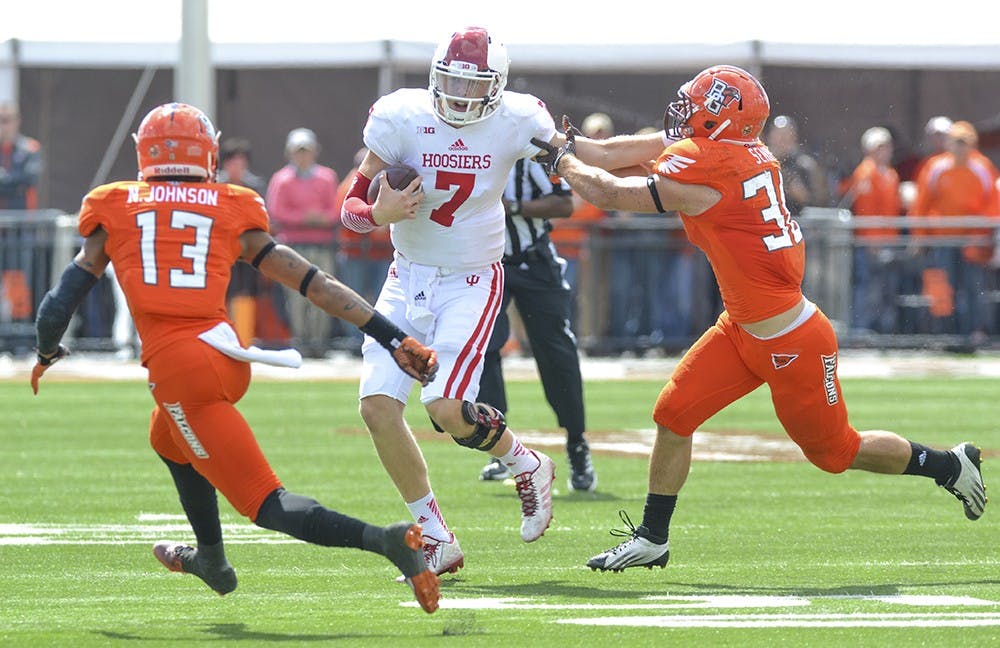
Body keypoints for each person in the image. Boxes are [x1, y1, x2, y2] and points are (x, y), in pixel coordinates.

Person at [532, 65, 987, 572]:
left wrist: (562, 161)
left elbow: (610, 192)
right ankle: (653, 538)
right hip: (743, 327)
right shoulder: (739, 150)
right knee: (673, 415)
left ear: (723, 119)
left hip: (791, 339)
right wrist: (557, 139)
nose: (685, 113)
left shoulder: (709, 163)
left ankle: (948, 464)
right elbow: (617, 153)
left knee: (834, 452)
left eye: (698, 106)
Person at [29, 103, 441, 613]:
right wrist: (391, 336)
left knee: (266, 503)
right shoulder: (230, 203)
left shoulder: (113, 204)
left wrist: (47, 351)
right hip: (225, 355)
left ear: (144, 152)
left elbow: (57, 305)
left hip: (182, 372)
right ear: (208, 151)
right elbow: (312, 282)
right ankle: (211, 560)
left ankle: (386, 541)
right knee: (166, 437)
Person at [339, 26, 558, 577]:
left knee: (445, 410)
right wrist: (378, 215)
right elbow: (348, 207)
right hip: (404, 278)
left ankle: (525, 463)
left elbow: (571, 161)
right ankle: (435, 534)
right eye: (451, 83)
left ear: (496, 86)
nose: (460, 97)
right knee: (377, 408)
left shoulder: (518, 118)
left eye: (473, 85)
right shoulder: (400, 116)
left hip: (470, 280)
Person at [476, 157, 597, 492]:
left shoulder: (528, 151)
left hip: (533, 260)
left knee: (556, 351)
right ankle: (498, 446)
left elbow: (563, 204)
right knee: (483, 348)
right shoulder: (466, 149)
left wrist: (511, 206)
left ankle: (576, 443)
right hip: (485, 262)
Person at [909, 120, 999, 341]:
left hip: (972, 243)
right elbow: (921, 204)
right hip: (943, 242)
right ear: (949, 144)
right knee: (941, 288)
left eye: (964, 143)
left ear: (972, 144)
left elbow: (994, 204)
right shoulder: (935, 167)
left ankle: (975, 332)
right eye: (956, 142)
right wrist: (919, 238)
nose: (960, 148)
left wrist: (980, 236)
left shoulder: (983, 167)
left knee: (974, 289)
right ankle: (943, 333)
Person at [266, 128, 340, 356]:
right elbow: (276, 212)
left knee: (323, 292)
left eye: (306, 151)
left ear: (314, 152)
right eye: (298, 151)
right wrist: (306, 219)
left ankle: (319, 342)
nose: (302, 156)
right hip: (293, 247)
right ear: (289, 153)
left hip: (322, 245)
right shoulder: (281, 180)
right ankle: (301, 340)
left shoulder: (327, 178)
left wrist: (320, 219)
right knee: (296, 297)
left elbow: (336, 211)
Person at [840, 126, 903, 334]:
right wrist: (873, 242)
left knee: (886, 289)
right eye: (879, 147)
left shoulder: (891, 174)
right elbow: (866, 211)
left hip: (888, 241)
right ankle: (862, 330)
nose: (884, 151)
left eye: (886, 146)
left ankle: (883, 330)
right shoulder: (866, 172)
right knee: (868, 288)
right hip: (870, 243)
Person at [334, 146, 394, 349]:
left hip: (382, 251)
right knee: (354, 296)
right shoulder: (351, 184)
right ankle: (355, 340)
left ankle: (380, 337)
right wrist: (375, 222)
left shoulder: (385, 180)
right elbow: (343, 215)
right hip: (356, 251)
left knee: (382, 297)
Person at [218, 137, 268, 344]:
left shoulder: (254, 187)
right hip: (221, 249)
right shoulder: (215, 187)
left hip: (247, 249)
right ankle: (223, 337)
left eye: (241, 161)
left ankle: (243, 338)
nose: (237, 166)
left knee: (246, 292)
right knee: (222, 292)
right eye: (232, 161)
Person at [763, 114, 830, 214]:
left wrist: (804, 197)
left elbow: (823, 201)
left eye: (786, 136)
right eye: (778, 136)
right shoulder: (762, 164)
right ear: (770, 137)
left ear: (794, 137)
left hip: (798, 221)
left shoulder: (806, 165)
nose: (781, 140)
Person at [0, 101, 42, 210]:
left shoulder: (31, 147)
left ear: (17, 121)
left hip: (22, 219)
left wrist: (5, 179)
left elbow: (30, 178)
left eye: (6, 120)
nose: (3, 126)